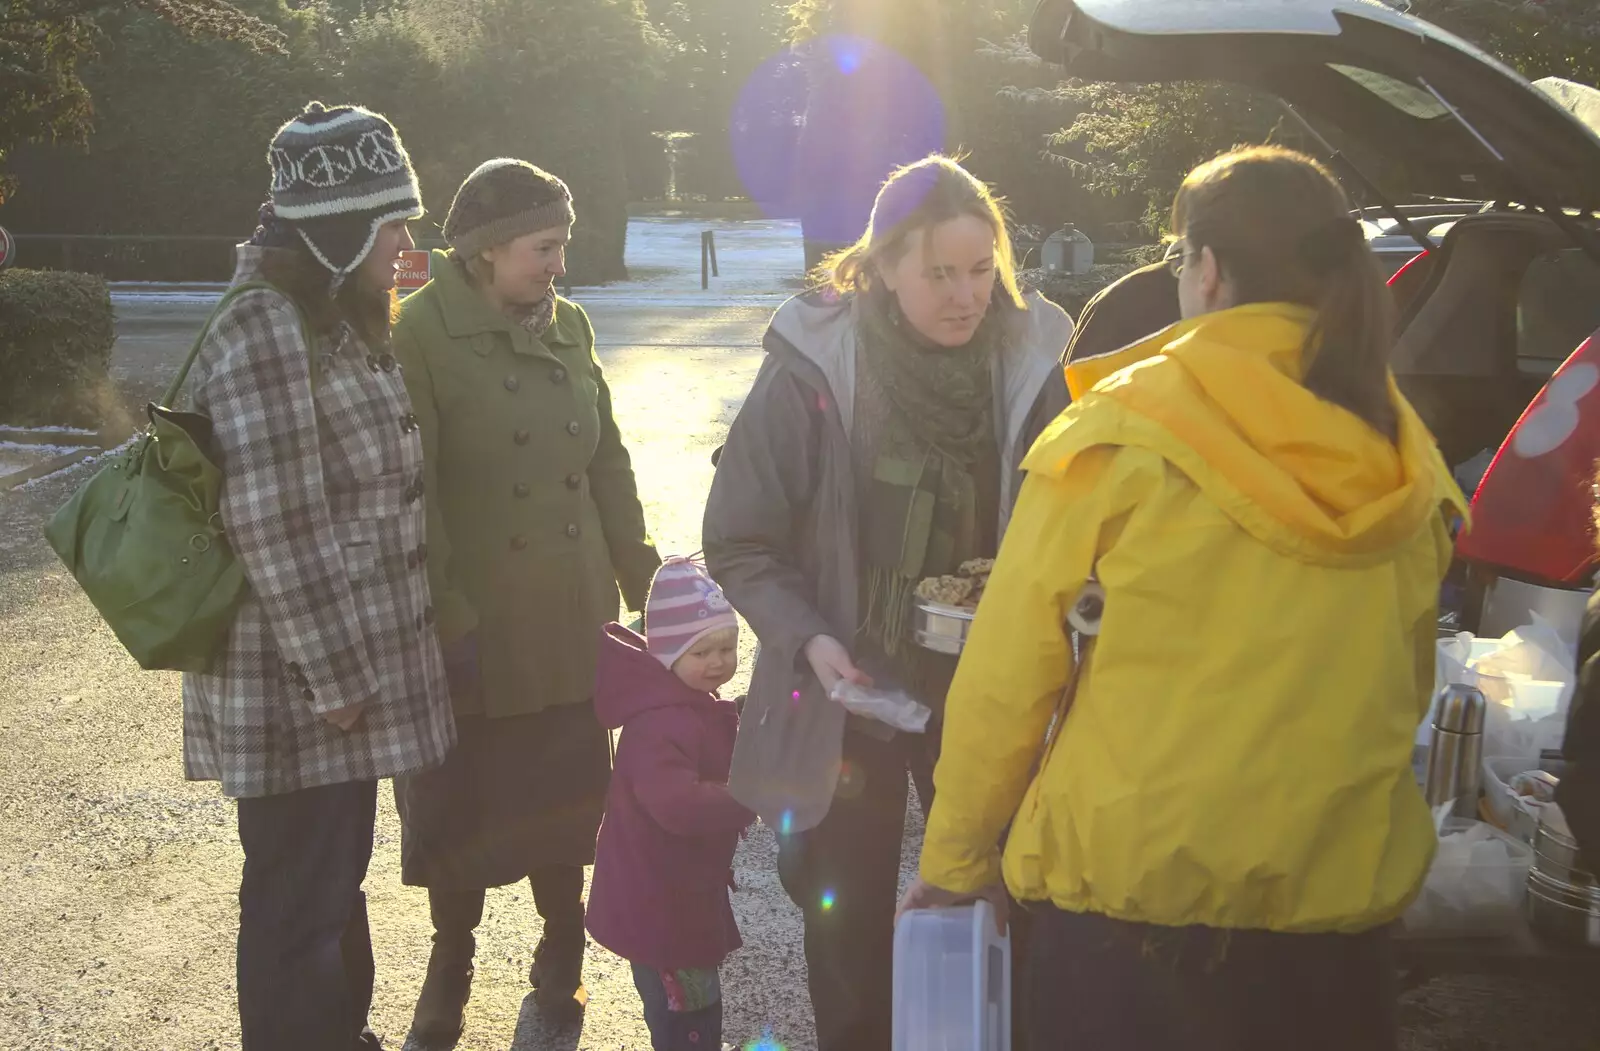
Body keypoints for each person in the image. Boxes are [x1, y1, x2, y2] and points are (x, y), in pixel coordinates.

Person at [902, 145, 1469, 1051]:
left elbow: (1009, 675)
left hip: (1128, 931)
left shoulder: (1122, 431)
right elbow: (1403, 683)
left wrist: (957, 863)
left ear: (1204, 270)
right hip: (1335, 931)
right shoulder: (1401, 446)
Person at [704, 154, 1074, 1051]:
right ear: (882, 266)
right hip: (848, 688)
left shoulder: (1036, 359)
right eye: (938, 272)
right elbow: (740, 537)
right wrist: (810, 639)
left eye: (981, 269)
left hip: (991, 684)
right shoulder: (812, 365)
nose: (965, 295)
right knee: (845, 920)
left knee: (1006, 900)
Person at [182, 101, 455, 1051]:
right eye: (394, 221)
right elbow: (278, 522)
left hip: (327, 683)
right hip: (298, 685)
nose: (408, 241)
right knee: (299, 905)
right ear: (340, 229)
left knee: (328, 888)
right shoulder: (266, 326)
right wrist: (340, 681)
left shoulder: (329, 315)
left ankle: (343, 1036)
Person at [392, 158, 661, 1041]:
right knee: (460, 799)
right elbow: (413, 486)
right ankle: (450, 957)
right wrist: (445, 611)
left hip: (568, 613)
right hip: (476, 616)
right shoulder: (421, 331)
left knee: (565, 791)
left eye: (562, 246)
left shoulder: (571, 325)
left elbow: (607, 458)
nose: (558, 265)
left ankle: (561, 951)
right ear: (484, 250)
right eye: (543, 247)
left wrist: (644, 575)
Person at [585, 557, 755, 1051]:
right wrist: (748, 796)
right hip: (663, 906)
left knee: (692, 1006)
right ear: (666, 655)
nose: (719, 662)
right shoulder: (658, 723)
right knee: (689, 1015)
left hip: (675, 894)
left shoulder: (687, 701)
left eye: (728, 647)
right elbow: (679, 805)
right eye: (702, 652)